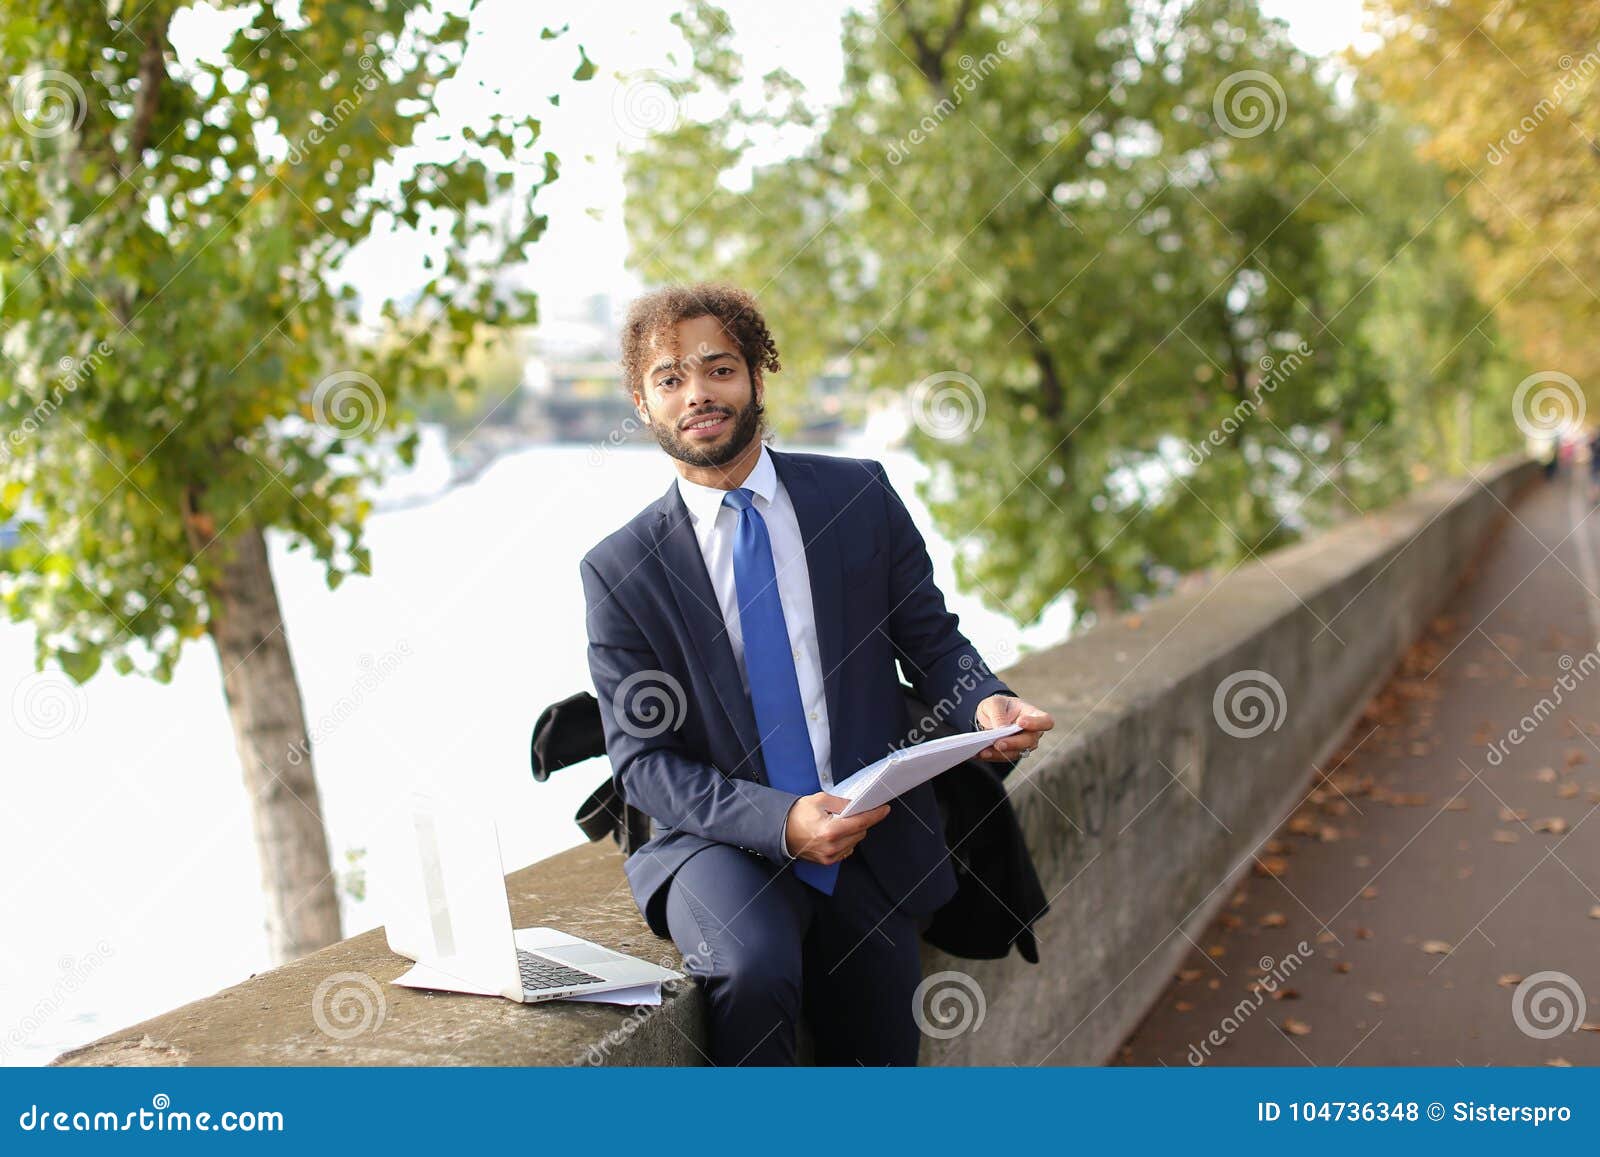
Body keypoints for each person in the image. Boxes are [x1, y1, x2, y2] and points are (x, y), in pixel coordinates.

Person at [579, 283, 1053, 1065]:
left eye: (718, 368)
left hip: (867, 827)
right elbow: (644, 764)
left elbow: (933, 643)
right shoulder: (621, 570)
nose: (697, 392)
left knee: (879, 1058)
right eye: (669, 379)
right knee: (755, 966)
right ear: (643, 402)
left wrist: (987, 705)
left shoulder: (858, 496)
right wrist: (780, 821)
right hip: (719, 840)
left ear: (757, 377)